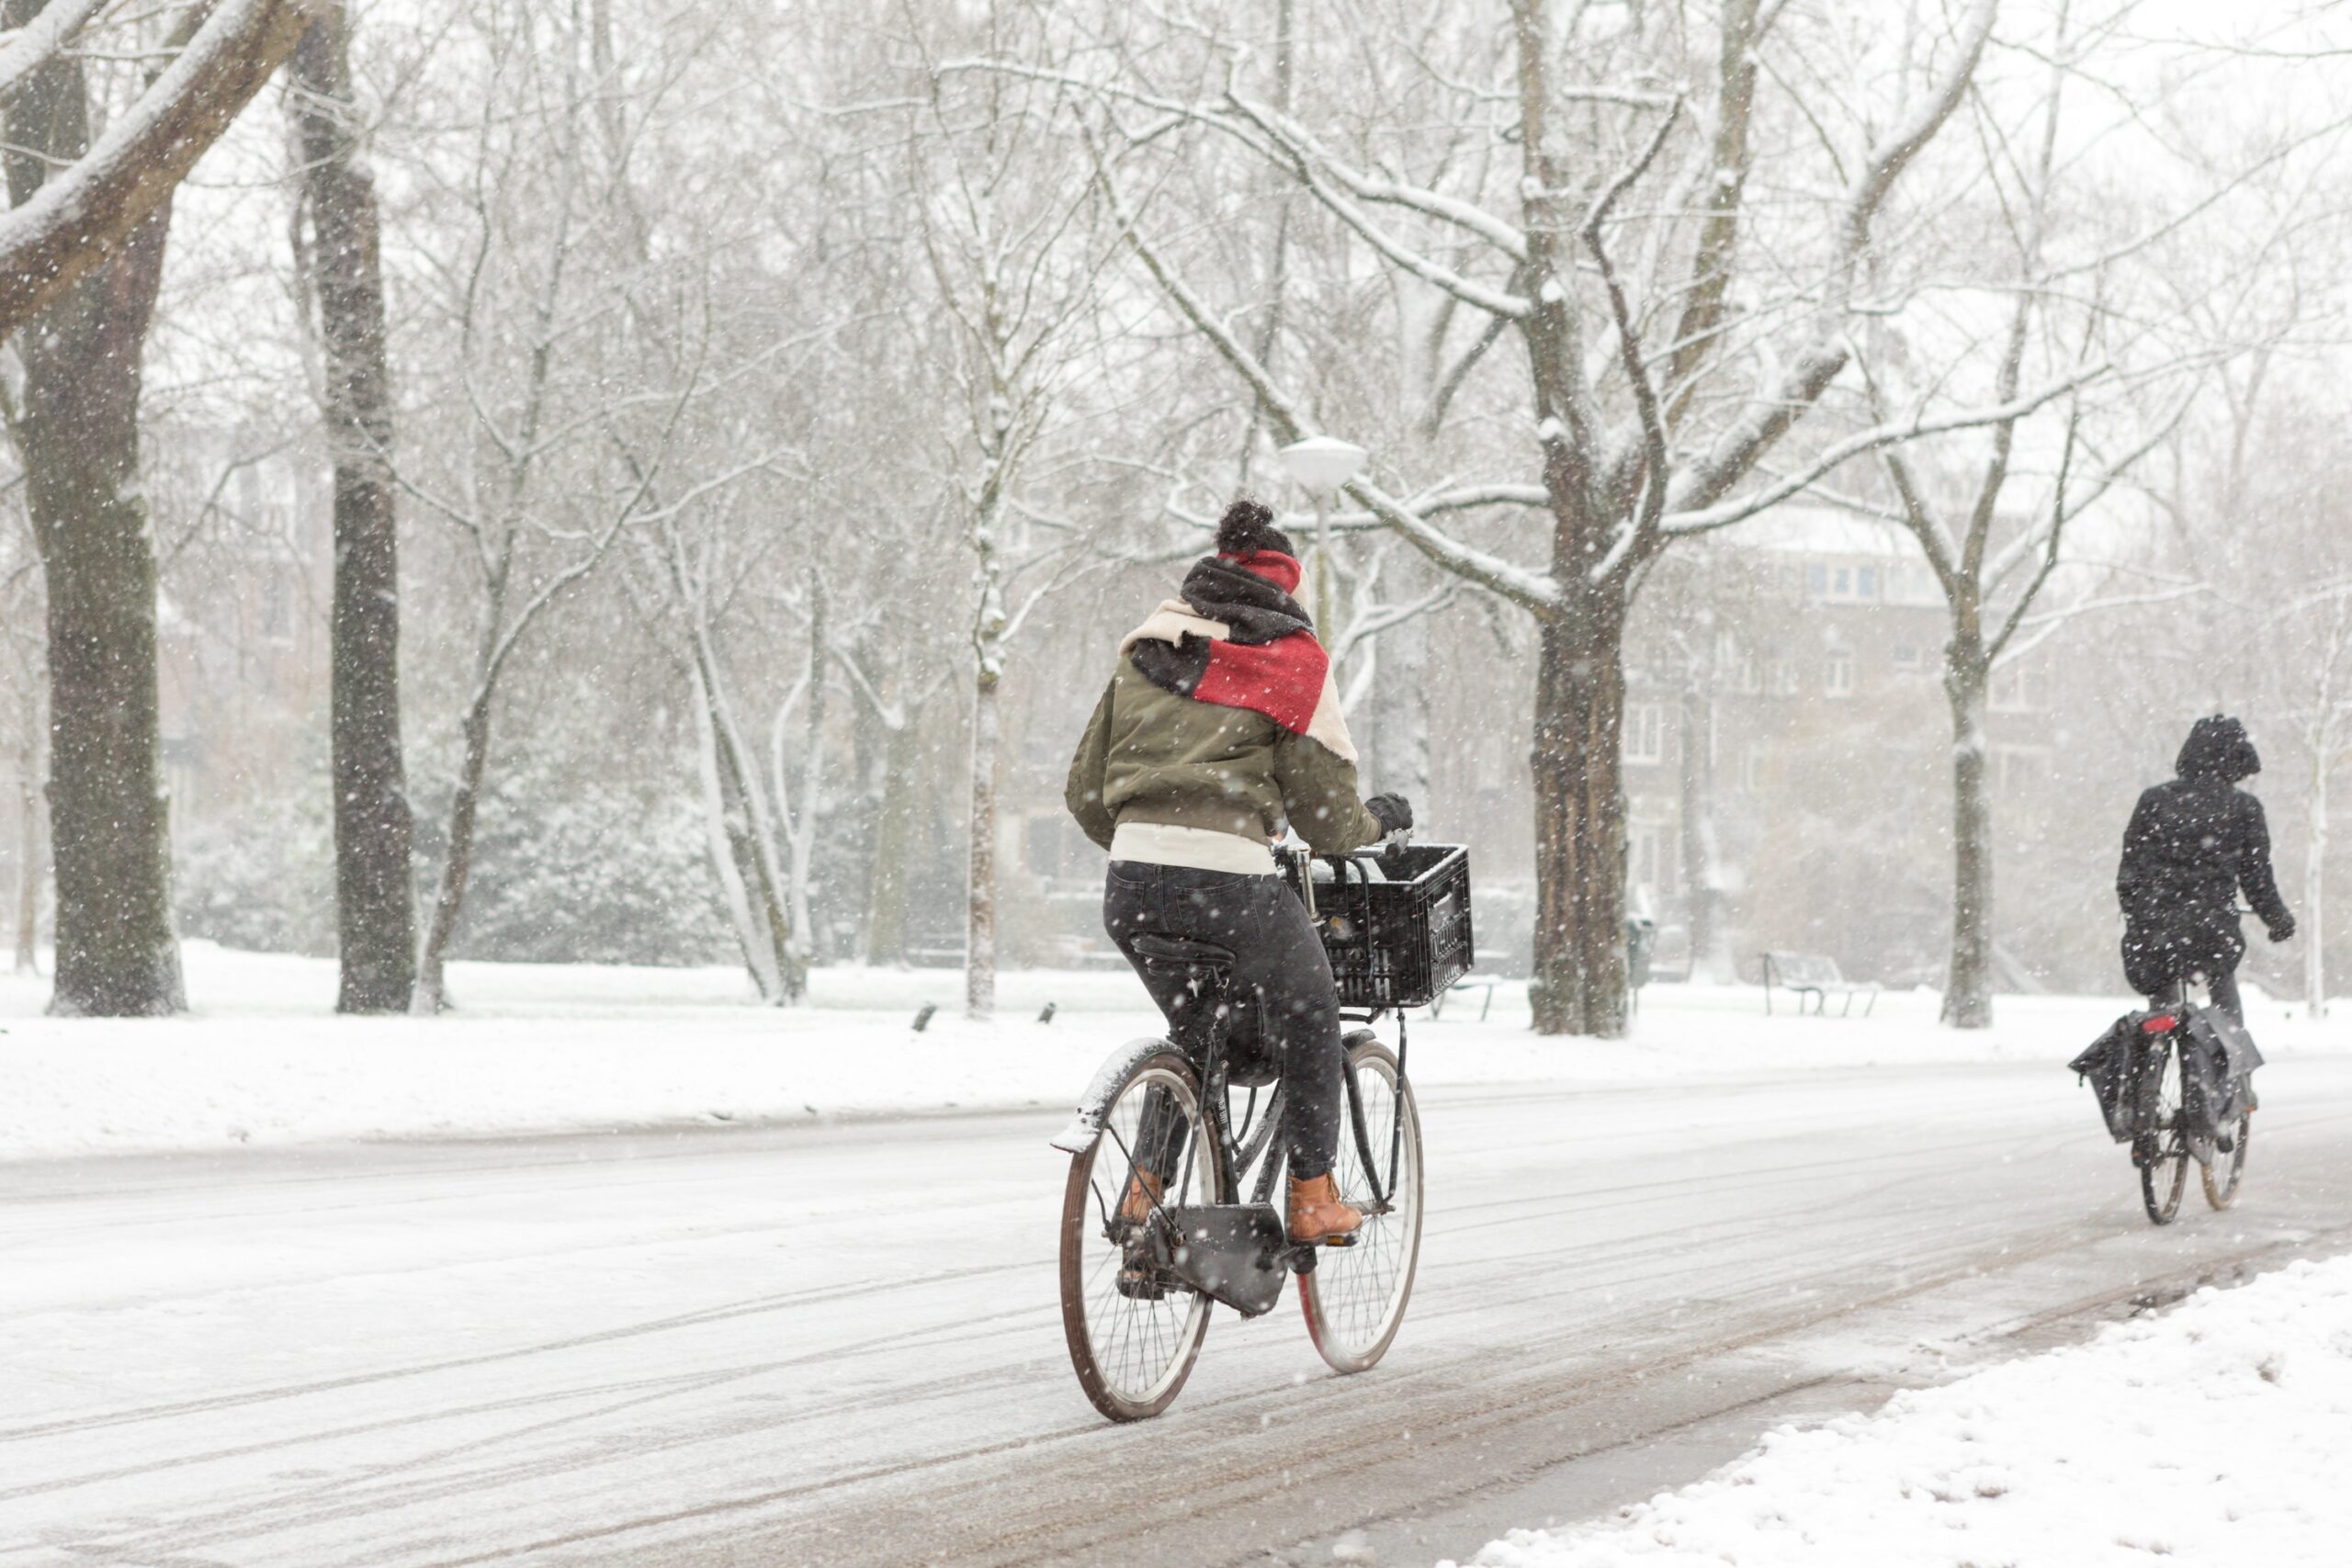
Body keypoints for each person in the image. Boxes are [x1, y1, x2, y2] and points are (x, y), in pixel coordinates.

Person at [1065, 498, 1409, 1245]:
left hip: (1130, 885)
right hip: (1231, 886)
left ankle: (1144, 1196)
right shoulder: (1291, 661)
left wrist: (1151, 841)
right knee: (1314, 1011)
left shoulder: (1148, 647)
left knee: (1195, 1028)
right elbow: (1327, 821)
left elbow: (1085, 793)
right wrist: (1377, 822)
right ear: (1286, 588)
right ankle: (1313, 1198)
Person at [2116, 714, 2293, 1025]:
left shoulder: (2154, 800)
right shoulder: (2244, 807)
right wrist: (2277, 919)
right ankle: (2230, 1046)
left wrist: (2138, 911)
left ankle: (2157, 1043)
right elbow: (2257, 879)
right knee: (2223, 994)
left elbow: (2130, 871)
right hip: (2211, 928)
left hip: (2156, 927)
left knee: (2161, 1004)